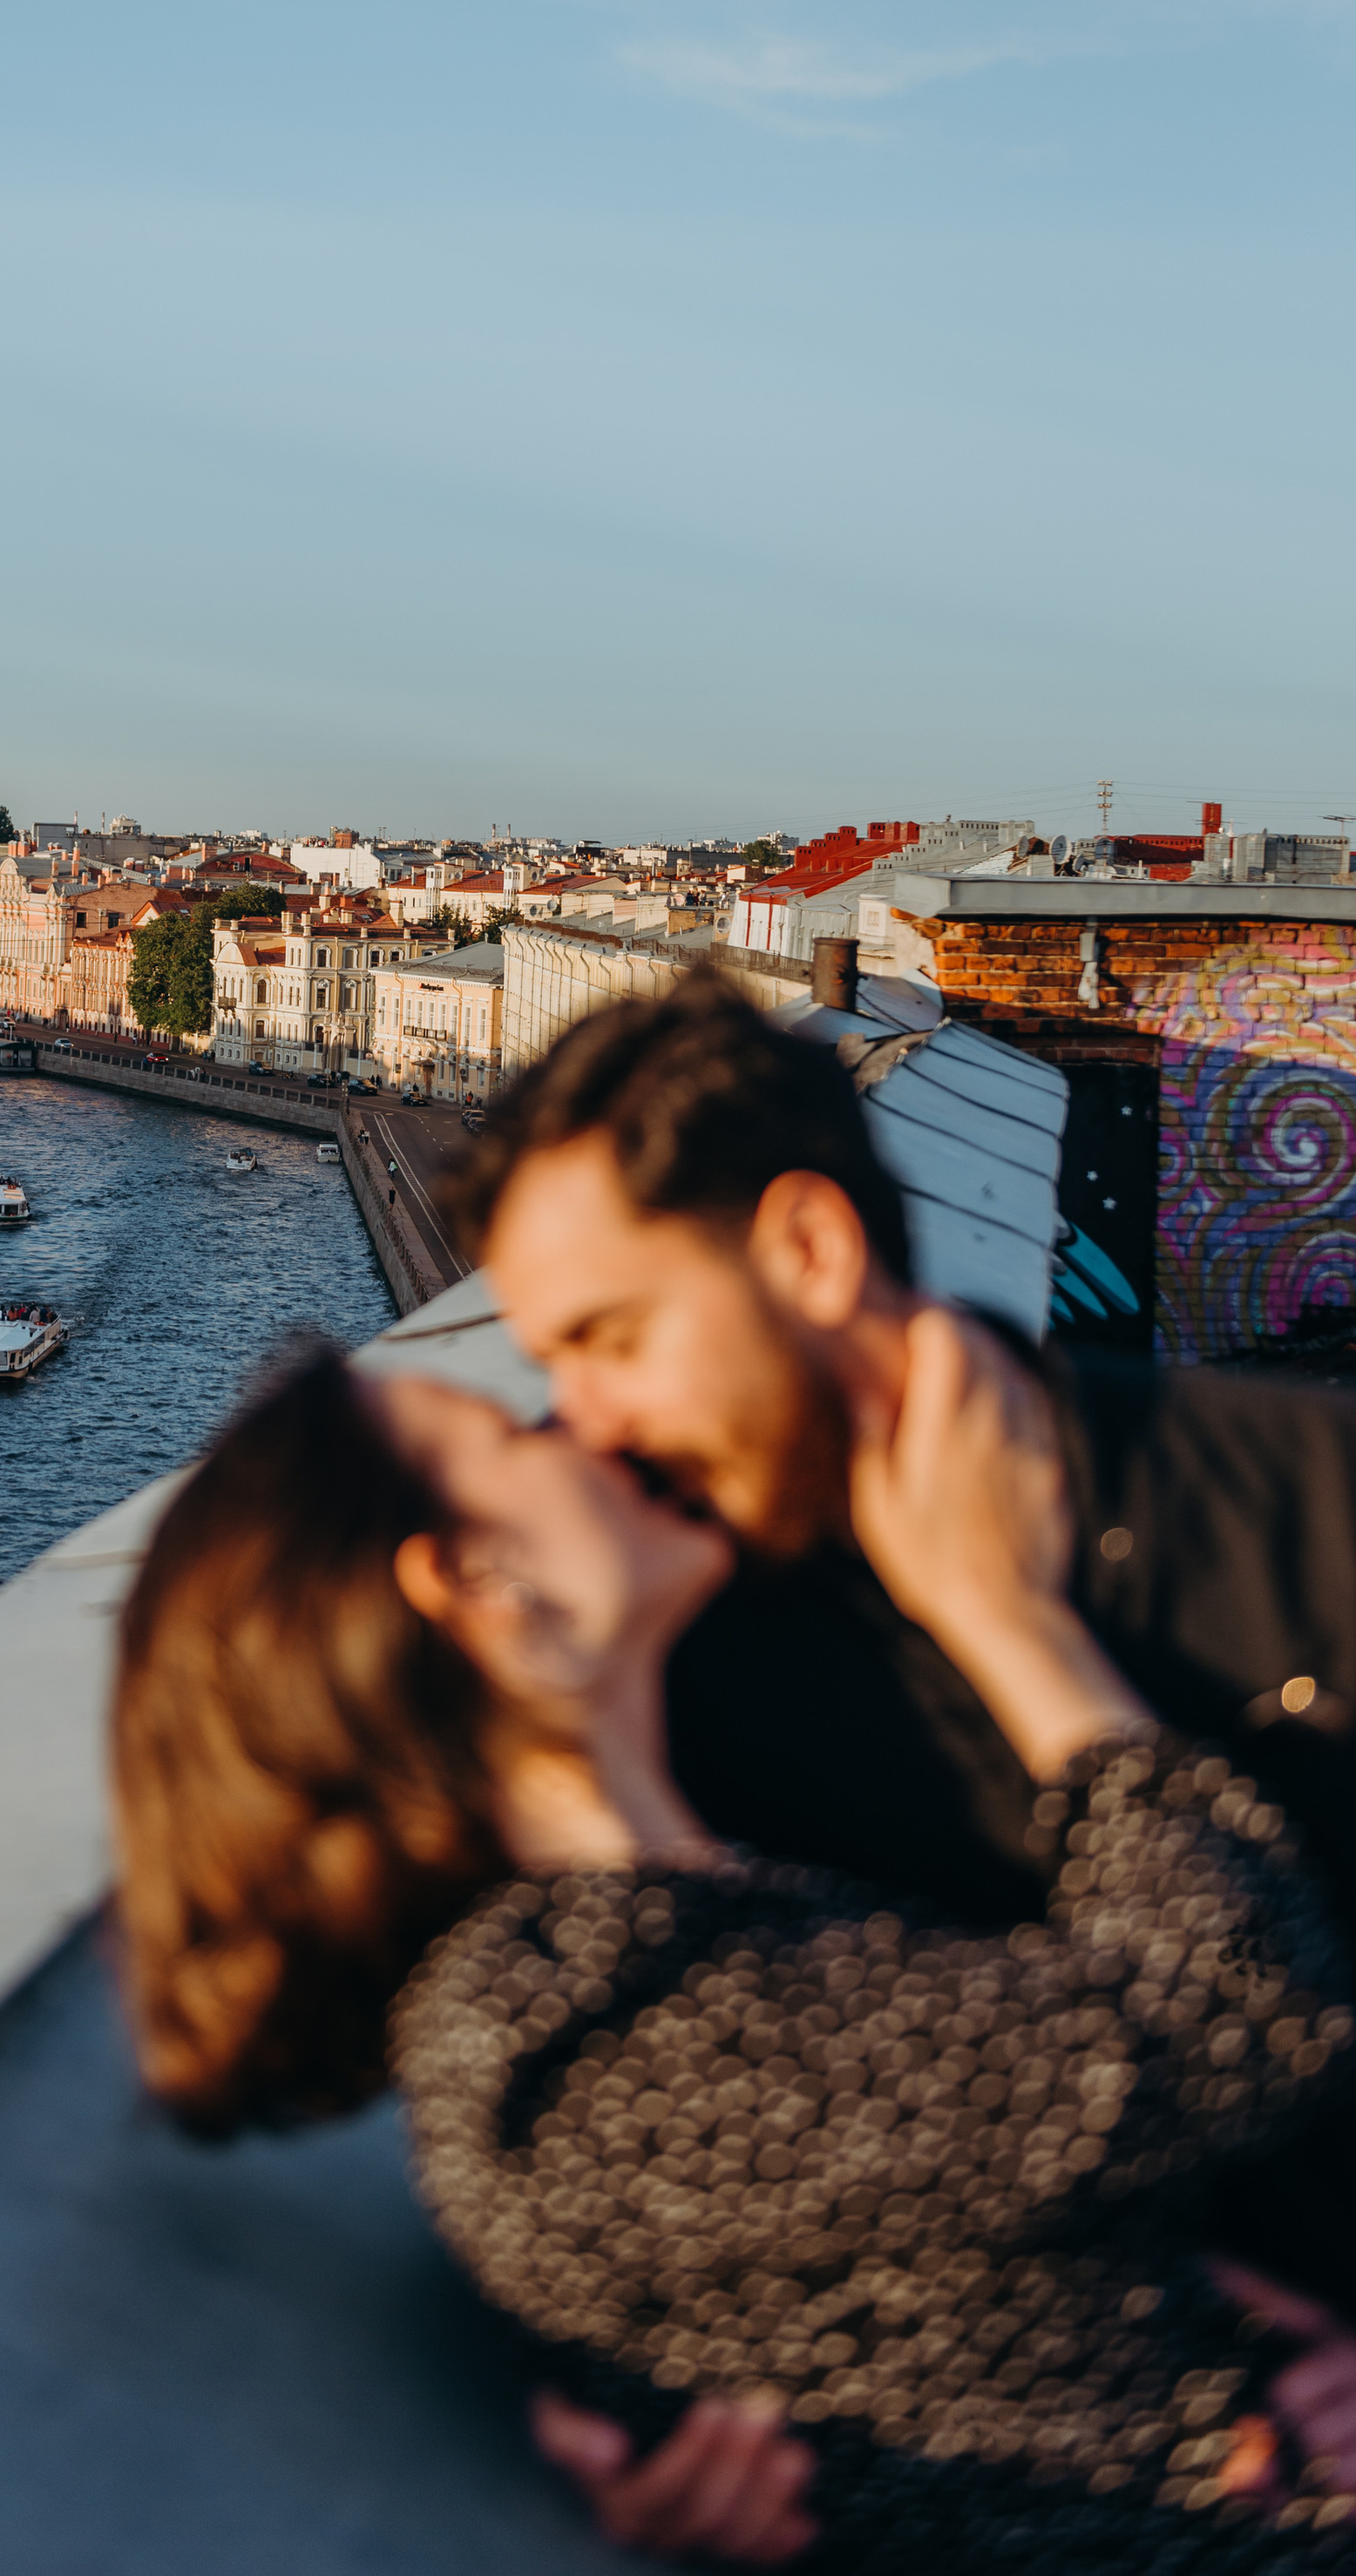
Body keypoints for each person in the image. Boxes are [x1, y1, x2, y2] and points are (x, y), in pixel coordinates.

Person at [112, 1350, 1356, 2567]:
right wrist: (1010, 1615)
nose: (585, 1430)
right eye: (517, 1430)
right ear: (475, 1577)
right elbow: (1222, 2005)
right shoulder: (580, 2045)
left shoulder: (659, 1946)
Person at [445, 971, 1356, 2323]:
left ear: (809, 1248)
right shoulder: (688, 1687)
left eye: (613, 1340)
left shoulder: (1311, 1505)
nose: (584, 1424)